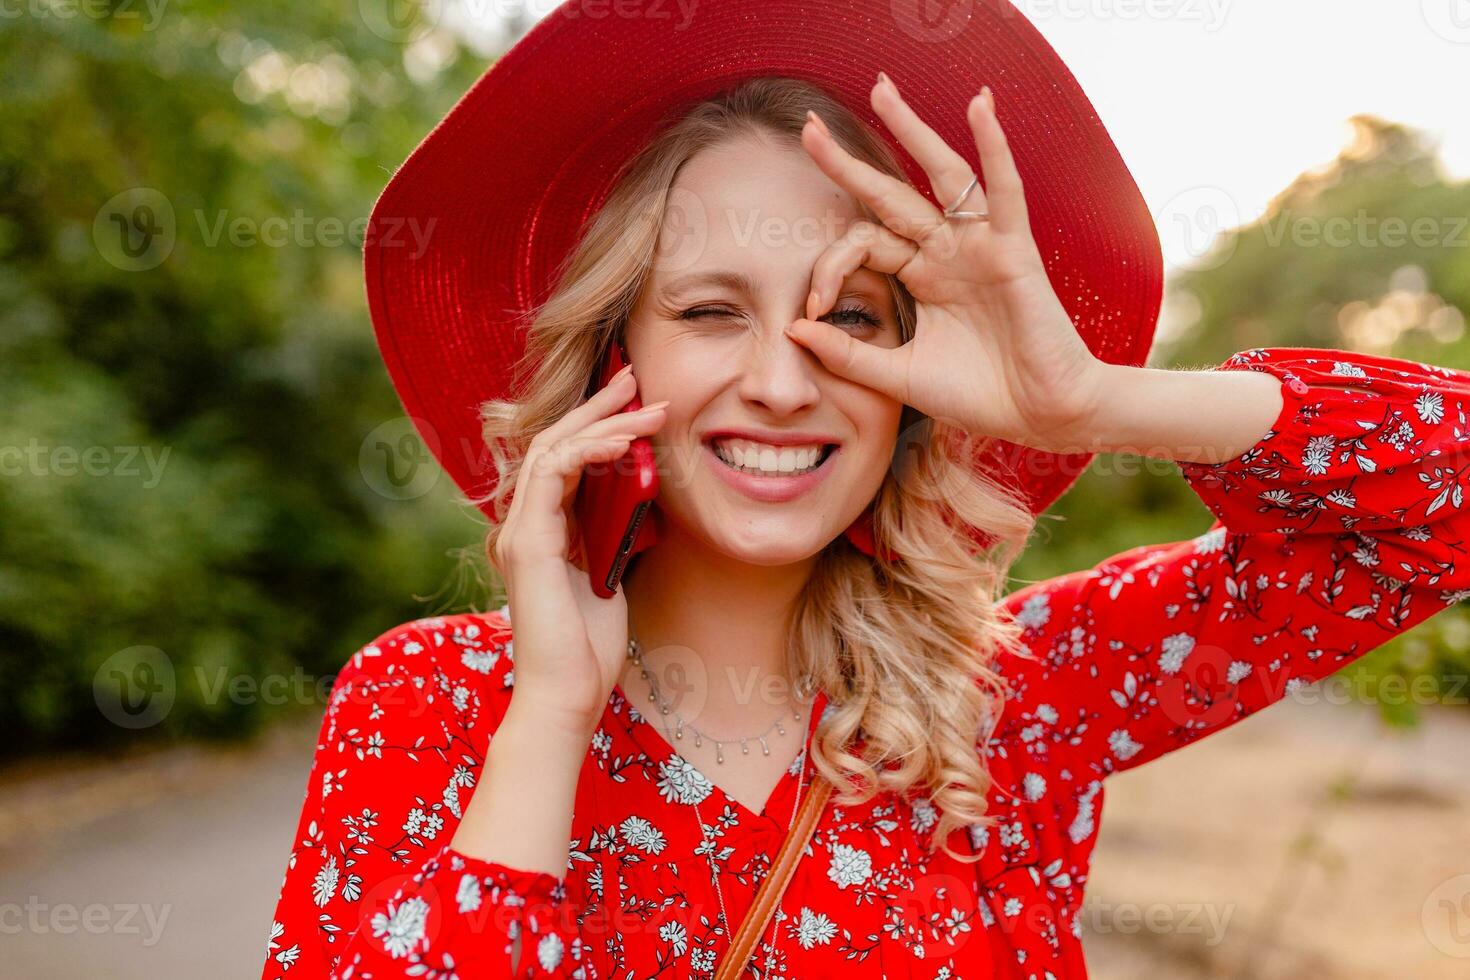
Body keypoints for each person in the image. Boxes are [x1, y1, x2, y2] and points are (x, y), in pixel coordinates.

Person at [260, 3, 1470, 977]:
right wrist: (549, 715)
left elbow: (1443, 504)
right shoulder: (425, 709)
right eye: (710, 310)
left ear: (910, 391)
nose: (786, 380)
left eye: (847, 318)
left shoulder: (1020, 699)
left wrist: (1089, 399)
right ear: (611, 358)